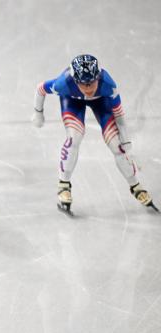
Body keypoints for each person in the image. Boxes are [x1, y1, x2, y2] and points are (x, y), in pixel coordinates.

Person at [32, 54, 157, 214]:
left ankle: (135, 186)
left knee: (117, 146)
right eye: (84, 85)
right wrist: (38, 113)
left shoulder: (108, 85)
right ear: (75, 81)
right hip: (72, 100)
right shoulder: (63, 83)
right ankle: (64, 185)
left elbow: (119, 117)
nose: (89, 89)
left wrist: (126, 143)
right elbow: (40, 88)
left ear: (98, 77)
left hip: (101, 101)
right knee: (74, 137)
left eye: (92, 83)